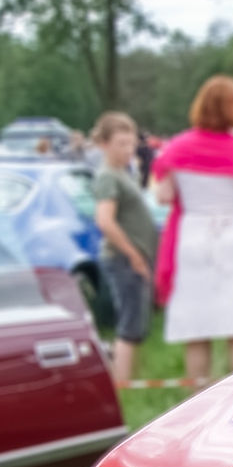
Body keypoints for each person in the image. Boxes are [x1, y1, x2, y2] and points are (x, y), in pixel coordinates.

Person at [152, 75, 233, 383]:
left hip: (193, 236)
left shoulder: (176, 148)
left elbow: (163, 195)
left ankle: (197, 406)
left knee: (197, 330)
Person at [90, 112, 158, 386]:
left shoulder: (124, 173)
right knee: (129, 323)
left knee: (137, 321)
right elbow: (105, 221)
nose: (127, 150)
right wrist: (133, 254)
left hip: (136, 256)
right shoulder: (108, 176)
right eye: (120, 143)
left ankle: (132, 377)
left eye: (130, 143)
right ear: (104, 144)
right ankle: (123, 382)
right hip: (123, 258)